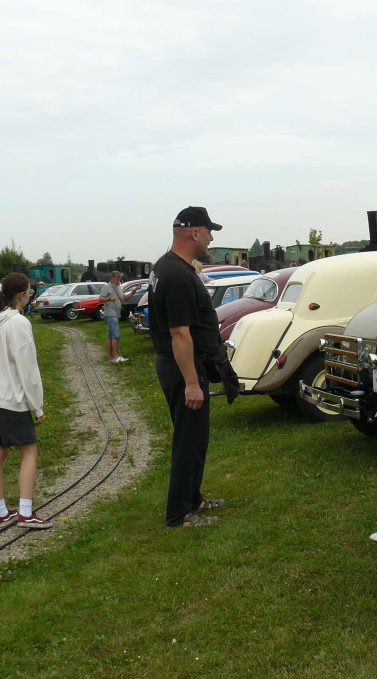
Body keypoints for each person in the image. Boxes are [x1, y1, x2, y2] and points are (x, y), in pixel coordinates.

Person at [149, 206, 227, 528]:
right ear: (194, 232)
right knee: (187, 440)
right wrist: (192, 383)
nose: (210, 238)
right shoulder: (178, 275)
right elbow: (179, 333)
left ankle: (193, 499)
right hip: (183, 368)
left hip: (180, 365)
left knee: (197, 438)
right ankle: (179, 515)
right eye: (209, 232)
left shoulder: (166, 266)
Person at [0, 272, 52, 529]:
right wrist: (38, 406)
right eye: (30, 292)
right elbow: (28, 369)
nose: (31, 295)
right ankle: (25, 512)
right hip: (11, 397)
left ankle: (1, 512)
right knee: (29, 451)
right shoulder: (18, 323)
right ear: (22, 295)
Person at [99, 270, 131, 363]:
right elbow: (100, 299)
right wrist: (109, 299)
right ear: (112, 278)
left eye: (120, 279)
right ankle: (116, 356)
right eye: (117, 279)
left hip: (115, 314)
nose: (119, 280)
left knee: (110, 336)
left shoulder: (117, 287)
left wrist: (134, 290)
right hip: (110, 314)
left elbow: (125, 297)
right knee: (116, 335)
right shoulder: (107, 287)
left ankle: (111, 358)